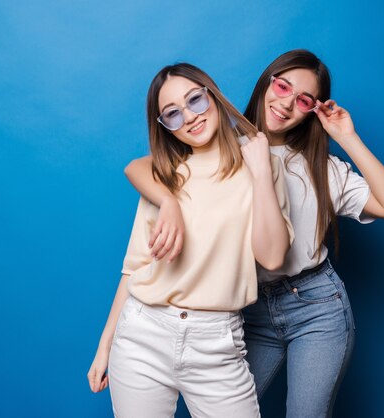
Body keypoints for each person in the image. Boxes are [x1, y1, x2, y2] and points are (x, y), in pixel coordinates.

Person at [122, 50, 384, 418]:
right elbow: (142, 166)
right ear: (266, 84)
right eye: (282, 86)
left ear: (312, 109)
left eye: (303, 99)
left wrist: (347, 136)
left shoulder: (321, 167)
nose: (287, 103)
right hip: (249, 310)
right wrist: (168, 202)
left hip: (316, 306)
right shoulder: (217, 141)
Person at [87, 62, 294, 418]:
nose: (190, 117)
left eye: (195, 100)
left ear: (211, 94)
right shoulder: (163, 176)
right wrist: (104, 346)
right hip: (142, 335)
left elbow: (273, 257)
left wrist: (261, 172)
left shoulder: (262, 164)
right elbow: (135, 269)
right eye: (173, 113)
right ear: (164, 126)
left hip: (217, 342)